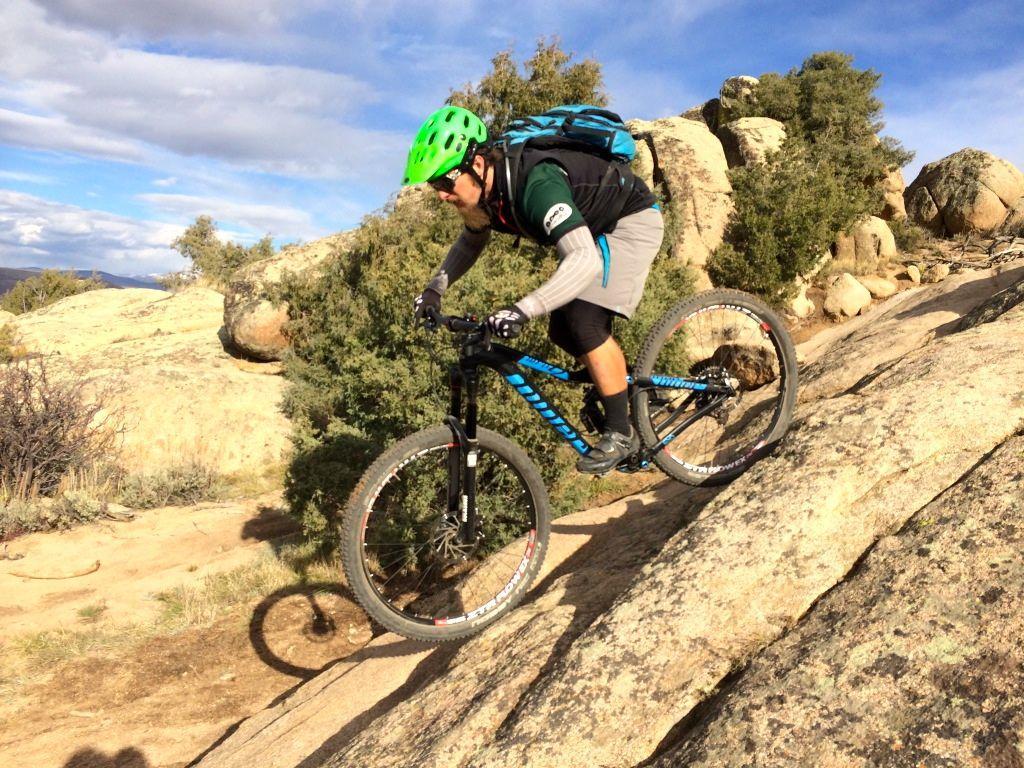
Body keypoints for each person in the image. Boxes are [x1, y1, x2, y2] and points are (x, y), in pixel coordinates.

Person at [404, 105, 664, 474]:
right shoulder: (489, 194)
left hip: (628, 221)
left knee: (583, 319)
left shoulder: (537, 184)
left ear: (477, 166)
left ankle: (621, 433)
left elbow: (584, 259)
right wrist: (434, 290)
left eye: (445, 183)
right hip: (591, 231)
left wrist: (522, 309)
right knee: (561, 328)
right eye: (435, 187)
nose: (442, 195)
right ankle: (629, 393)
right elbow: (471, 241)